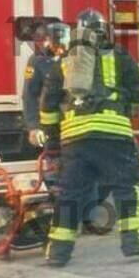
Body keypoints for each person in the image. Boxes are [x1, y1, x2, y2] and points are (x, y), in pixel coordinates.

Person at [42, 8, 139, 267]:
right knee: (126, 187)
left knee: (70, 195)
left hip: (75, 139)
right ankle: (132, 242)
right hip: (113, 134)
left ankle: (58, 253)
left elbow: (48, 106)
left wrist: (53, 143)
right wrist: (120, 98)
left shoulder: (64, 62)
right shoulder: (120, 56)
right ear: (104, 31)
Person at [23, 22, 108, 235]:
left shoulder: (76, 58)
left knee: (86, 170)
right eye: (56, 43)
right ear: (47, 41)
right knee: (57, 173)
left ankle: (89, 217)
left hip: (75, 123)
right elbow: (30, 96)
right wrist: (34, 127)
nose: (60, 48)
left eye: (63, 43)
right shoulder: (37, 61)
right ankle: (57, 220)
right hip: (51, 126)